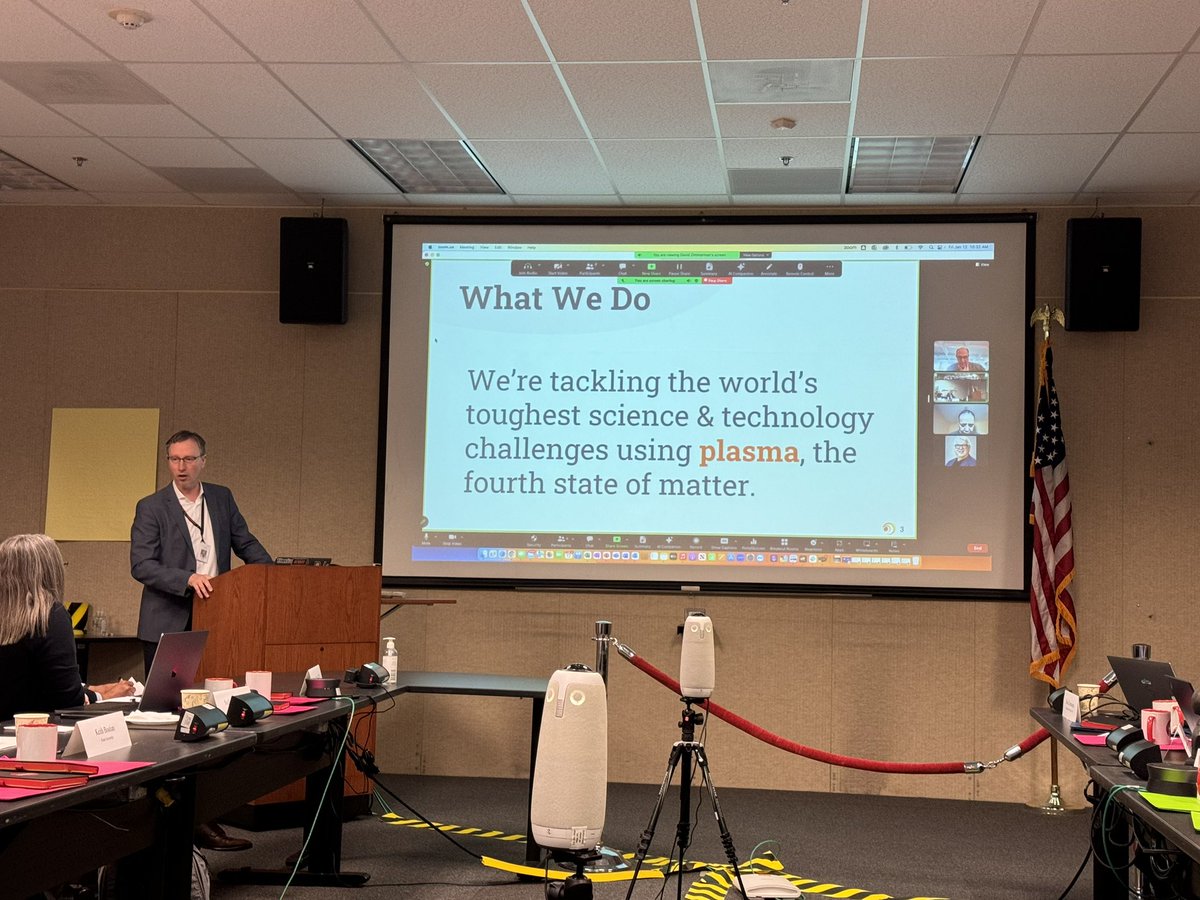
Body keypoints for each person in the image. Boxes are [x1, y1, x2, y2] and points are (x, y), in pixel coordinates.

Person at [130, 430, 271, 853]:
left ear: (203, 461)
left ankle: (203, 818)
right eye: (174, 459)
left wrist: (272, 575)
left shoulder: (222, 498)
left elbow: (245, 543)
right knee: (170, 723)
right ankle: (167, 821)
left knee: (210, 718)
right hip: (168, 625)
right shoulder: (151, 506)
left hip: (218, 620)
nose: (181, 466)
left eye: (189, 459)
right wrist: (186, 578)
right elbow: (142, 564)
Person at [0, 534, 134, 721]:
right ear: (50, 571)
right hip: (32, 732)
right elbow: (67, 698)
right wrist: (105, 696)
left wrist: (91, 689)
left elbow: (25, 681)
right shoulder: (49, 615)